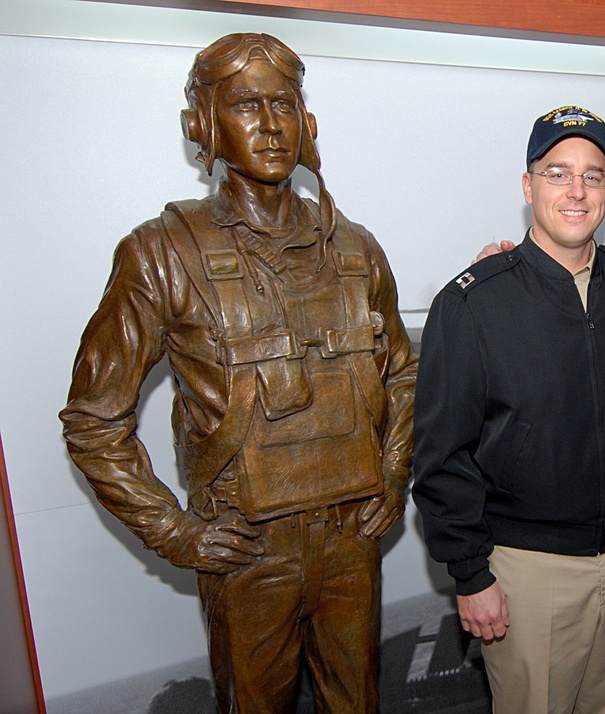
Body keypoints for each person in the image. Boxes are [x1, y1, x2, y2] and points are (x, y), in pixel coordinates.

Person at [59, 33, 417, 713]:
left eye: (283, 104)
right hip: (248, 554)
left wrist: (394, 471)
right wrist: (175, 530)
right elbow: (92, 420)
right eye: (246, 105)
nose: (271, 125)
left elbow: (402, 371)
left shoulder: (355, 248)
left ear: (307, 122)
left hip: (351, 540)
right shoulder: (161, 254)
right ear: (204, 124)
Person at [413, 106, 605, 713]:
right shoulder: (472, 304)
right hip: (528, 575)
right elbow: (441, 458)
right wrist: (471, 575)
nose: (576, 191)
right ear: (528, 186)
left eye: (592, 175)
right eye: (557, 173)